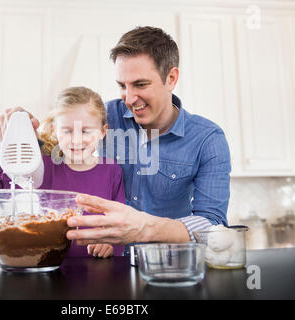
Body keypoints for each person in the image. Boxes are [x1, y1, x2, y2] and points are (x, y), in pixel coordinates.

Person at [64, 26, 231, 247]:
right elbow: (53, 144)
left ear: (171, 78)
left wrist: (145, 228)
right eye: (122, 86)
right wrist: (21, 136)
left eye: (140, 84)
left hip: (169, 267)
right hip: (107, 263)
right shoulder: (106, 116)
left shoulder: (208, 139)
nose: (130, 98)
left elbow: (212, 225)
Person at [0, 86, 126, 258]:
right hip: (52, 267)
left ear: (102, 132)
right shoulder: (43, 167)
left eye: (85, 131)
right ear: (55, 130)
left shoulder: (112, 170)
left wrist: (110, 244)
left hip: (100, 270)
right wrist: (7, 140)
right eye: (67, 130)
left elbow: (121, 223)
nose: (76, 139)